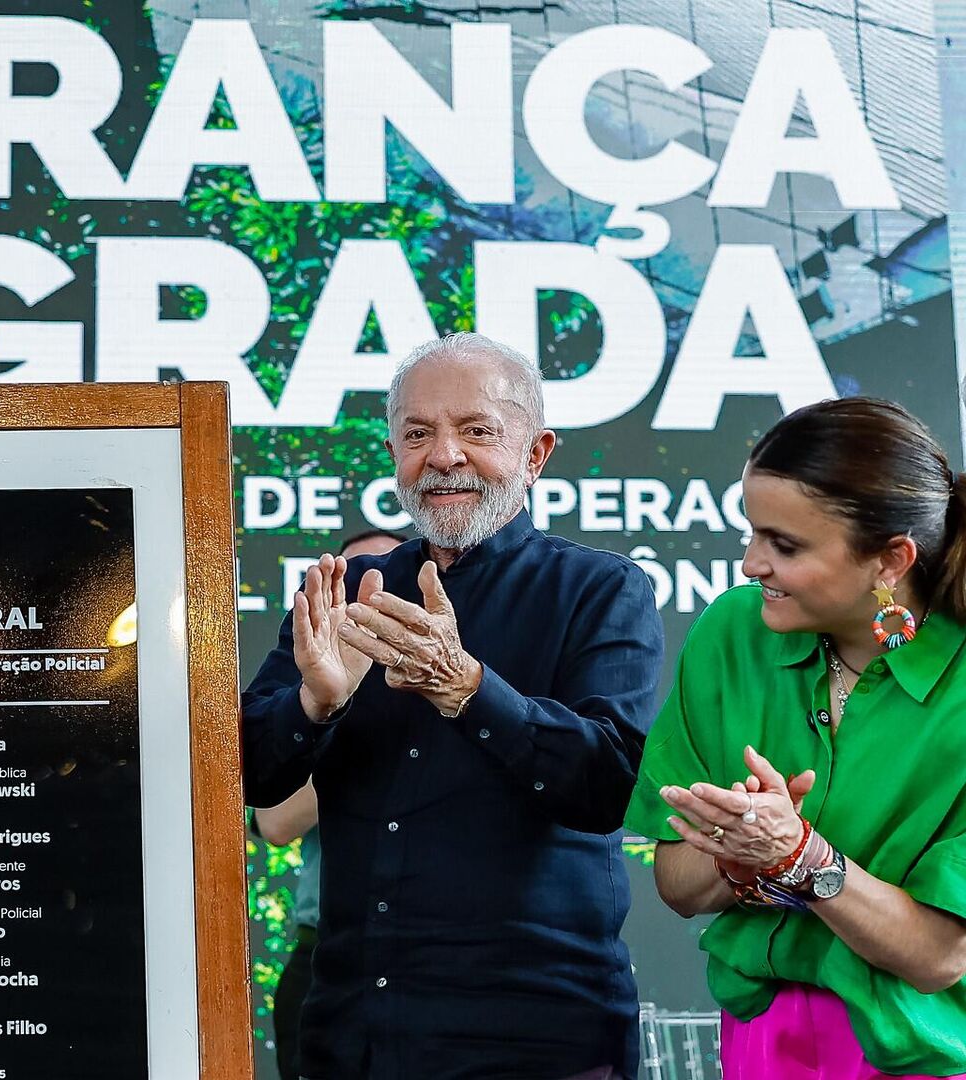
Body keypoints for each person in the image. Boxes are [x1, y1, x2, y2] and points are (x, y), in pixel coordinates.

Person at [240, 332, 663, 1080]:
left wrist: (467, 689)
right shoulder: (348, 589)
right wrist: (317, 703)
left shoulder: (602, 590)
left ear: (536, 454)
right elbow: (251, 777)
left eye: (476, 431)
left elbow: (609, 786)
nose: (443, 456)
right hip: (354, 1033)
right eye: (417, 434)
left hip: (534, 1038)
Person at [627, 397, 966, 1079]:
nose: (752, 565)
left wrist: (801, 857)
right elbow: (677, 883)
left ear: (890, 560)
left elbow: (938, 955)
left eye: (784, 545)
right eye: (751, 533)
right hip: (759, 1034)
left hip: (925, 1050)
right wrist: (746, 855)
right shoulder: (732, 632)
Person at [250, 530, 405, 1080]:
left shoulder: (447, 685)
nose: (372, 599)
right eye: (355, 582)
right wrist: (335, 708)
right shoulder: (306, 700)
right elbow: (273, 823)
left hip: (434, 960)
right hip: (328, 954)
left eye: (388, 580)